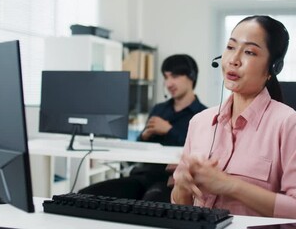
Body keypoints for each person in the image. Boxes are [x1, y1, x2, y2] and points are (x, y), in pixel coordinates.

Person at [171, 15, 296, 221]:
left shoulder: (288, 125)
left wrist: (231, 186)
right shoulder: (200, 122)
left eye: (249, 52)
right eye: (230, 47)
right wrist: (182, 187)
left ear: (273, 68)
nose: (233, 60)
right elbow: (180, 207)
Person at [78, 54, 207, 202]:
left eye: (175, 76)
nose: (169, 83)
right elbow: (140, 147)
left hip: (172, 181)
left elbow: (199, 153)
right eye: (166, 77)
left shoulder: (203, 115)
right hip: (143, 176)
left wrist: (169, 131)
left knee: (149, 204)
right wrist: (144, 136)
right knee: (84, 196)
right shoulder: (159, 109)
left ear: (192, 76)